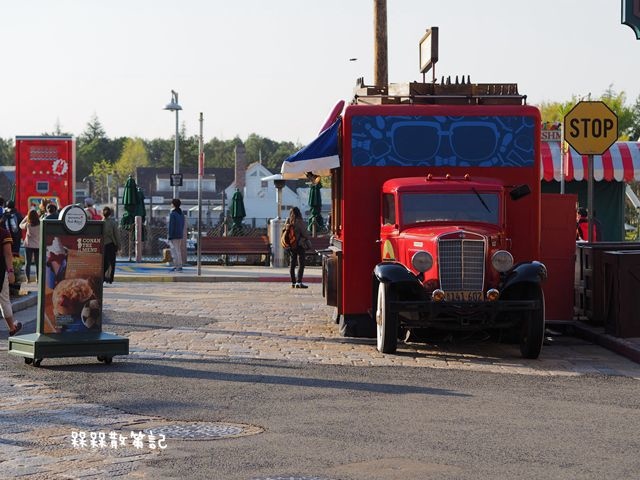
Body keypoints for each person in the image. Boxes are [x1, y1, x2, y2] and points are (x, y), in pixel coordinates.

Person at [0, 224, 21, 336]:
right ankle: (12, 328)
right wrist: (11, 272)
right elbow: (8, 254)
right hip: (1, 272)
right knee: (4, 301)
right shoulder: (3, 233)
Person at [284, 206, 311, 288]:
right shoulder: (299, 221)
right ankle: (299, 282)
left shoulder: (287, 221)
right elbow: (305, 234)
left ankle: (293, 282)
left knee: (292, 264)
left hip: (290, 246)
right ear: (299, 213)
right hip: (299, 245)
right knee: (301, 264)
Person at [19, 209, 40, 283]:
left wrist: (25, 217)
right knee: (38, 263)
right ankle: (38, 279)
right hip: (38, 246)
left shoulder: (28, 224)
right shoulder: (40, 224)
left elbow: (20, 225)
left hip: (28, 246)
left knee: (28, 263)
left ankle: (28, 279)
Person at [102, 206, 120, 284]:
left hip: (102, 245)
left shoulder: (100, 223)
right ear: (110, 214)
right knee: (111, 263)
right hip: (111, 245)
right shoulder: (113, 223)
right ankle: (109, 279)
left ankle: (103, 278)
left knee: (104, 263)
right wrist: (119, 246)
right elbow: (117, 235)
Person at [168, 198, 185, 272]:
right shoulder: (181, 214)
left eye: (171, 203)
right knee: (178, 250)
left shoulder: (173, 214)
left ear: (173, 204)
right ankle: (180, 265)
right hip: (180, 234)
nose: (171, 204)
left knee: (174, 251)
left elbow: (171, 226)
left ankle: (176, 266)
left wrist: (170, 236)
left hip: (174, 235)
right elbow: (183, 224)